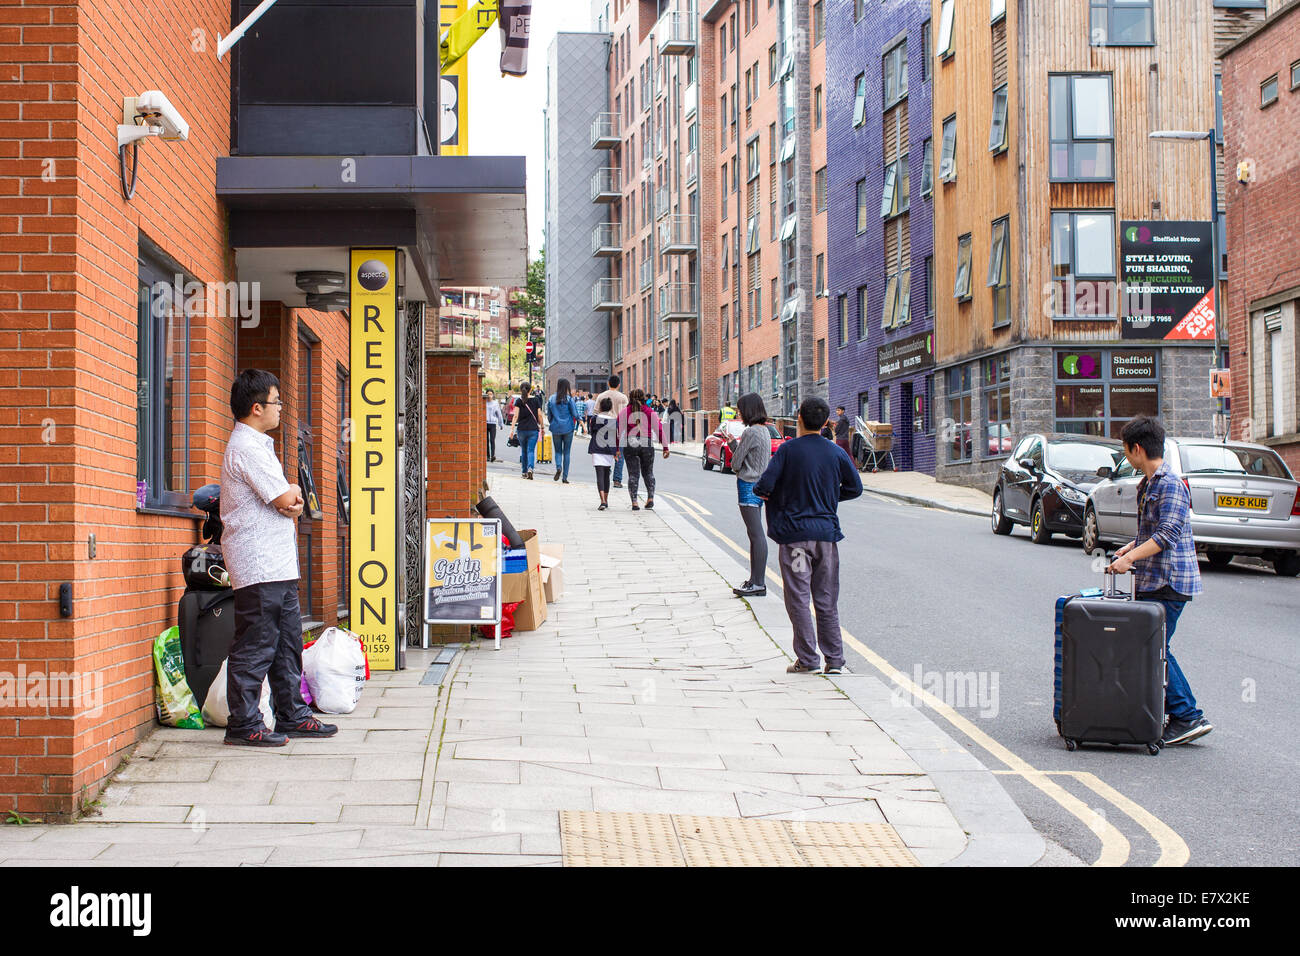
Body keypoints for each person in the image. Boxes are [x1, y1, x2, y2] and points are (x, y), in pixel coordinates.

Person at [220, 370, 337, 746]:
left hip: (278, 564)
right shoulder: (247, 447)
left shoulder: (260, 446)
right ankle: (244, 724)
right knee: (256, 645)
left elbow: (289, 502)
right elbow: (288, 501)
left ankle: (292, 714)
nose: (281, 409)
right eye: (276, 402)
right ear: (257, 408)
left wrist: (290, 497)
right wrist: (291, 493)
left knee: (287, 643)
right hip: (258, 564)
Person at [1106, 415, 1212, 747]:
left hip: (1171, 582)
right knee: (1149, 647)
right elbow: (1150, 534)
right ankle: (1169, 710)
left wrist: (1128, 560)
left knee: (1155, 647)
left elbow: (1166, 536)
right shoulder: (1147, 484)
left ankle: (1187, 715)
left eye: (1125, 450)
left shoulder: (1171, 484)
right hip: (1154, 581)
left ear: (1136, 448)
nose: (1126, 457)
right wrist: (1129, 547)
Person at [754, 397, 863, 676]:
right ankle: (835, 661)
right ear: (826, 422)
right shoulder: (836, 452)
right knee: (826, 599)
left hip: (796, 541)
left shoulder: (788, 451)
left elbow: (763, 486)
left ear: (799, 417)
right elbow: (855, 488)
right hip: (826, 538)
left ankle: (808, 660)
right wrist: (830, 497)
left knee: (799, 598)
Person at [731, 393, 773, 598]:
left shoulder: (750, 432)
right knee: (755, 535)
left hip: (747, 486)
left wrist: (733, 448)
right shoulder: (765, 430)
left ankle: (758, 583)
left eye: (740, 410)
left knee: (756, 535)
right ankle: (754, 580)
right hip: (760, 486)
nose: (739, 413)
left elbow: (736, 463)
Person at [616, 387, 670, 510]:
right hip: (647, 444)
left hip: (630, 444)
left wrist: (617, 449)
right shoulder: (650, 411)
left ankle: (634, 502)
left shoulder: (625, 411)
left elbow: (618, 431)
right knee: (648, 472)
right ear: (644, 398)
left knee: (633, 475)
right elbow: (659, 429)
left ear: (630, 398)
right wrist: (665, 447)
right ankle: (650, 498)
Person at [596, 374, 630, 488]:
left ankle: (607, 472)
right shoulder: (623, 398)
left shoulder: (601, 396)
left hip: (605, 426)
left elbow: (596, 412)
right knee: (619, 454)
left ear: (608, 383)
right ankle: (617, 480)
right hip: (620, 427)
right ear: (619, 384)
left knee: (606, 452)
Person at [509, 380, 546, 479]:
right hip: (533, 430)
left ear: (521, 390)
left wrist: (512, 430)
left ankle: (524, 472)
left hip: (521, 429)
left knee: (524, 451)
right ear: (530, 390)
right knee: (531, 451)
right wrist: (542, 427)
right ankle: (530, 468)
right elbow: (539, 415)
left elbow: (515, 416)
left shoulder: (518, 401)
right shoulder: (536, 400)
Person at [546, 377, 581, 484]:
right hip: (568, 428)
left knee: (557, 451)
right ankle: (565, 477)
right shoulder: (569, 399)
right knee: (567, 452)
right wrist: (580, 423)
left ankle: (558, 467)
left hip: (555, 428)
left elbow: (549, 415)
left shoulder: (551, 398)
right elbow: (575, 414)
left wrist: (553, 422)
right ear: (567, 387)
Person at [588, 396, 619, 511]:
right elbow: (615, 436)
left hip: (597, 448)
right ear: (610, 408)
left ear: (600, 407)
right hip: (608, 450)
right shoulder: (614, 421)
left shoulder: (595, 419)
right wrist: (616, 451)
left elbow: (591, 432)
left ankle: (602, 501)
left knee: (599, 475)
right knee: (606, 475)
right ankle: (606, 499)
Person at [484, 388, 504, 463]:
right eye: (488, 394)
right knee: (486, 440)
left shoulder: (495, 403)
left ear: (493, 395)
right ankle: (487, 456)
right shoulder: (483, 402)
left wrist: (501, 424)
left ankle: (493, 456)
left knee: (492, 440)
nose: (489, 396)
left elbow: (499, 414)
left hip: (492, 424)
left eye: (491, 394)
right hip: (485, 423)